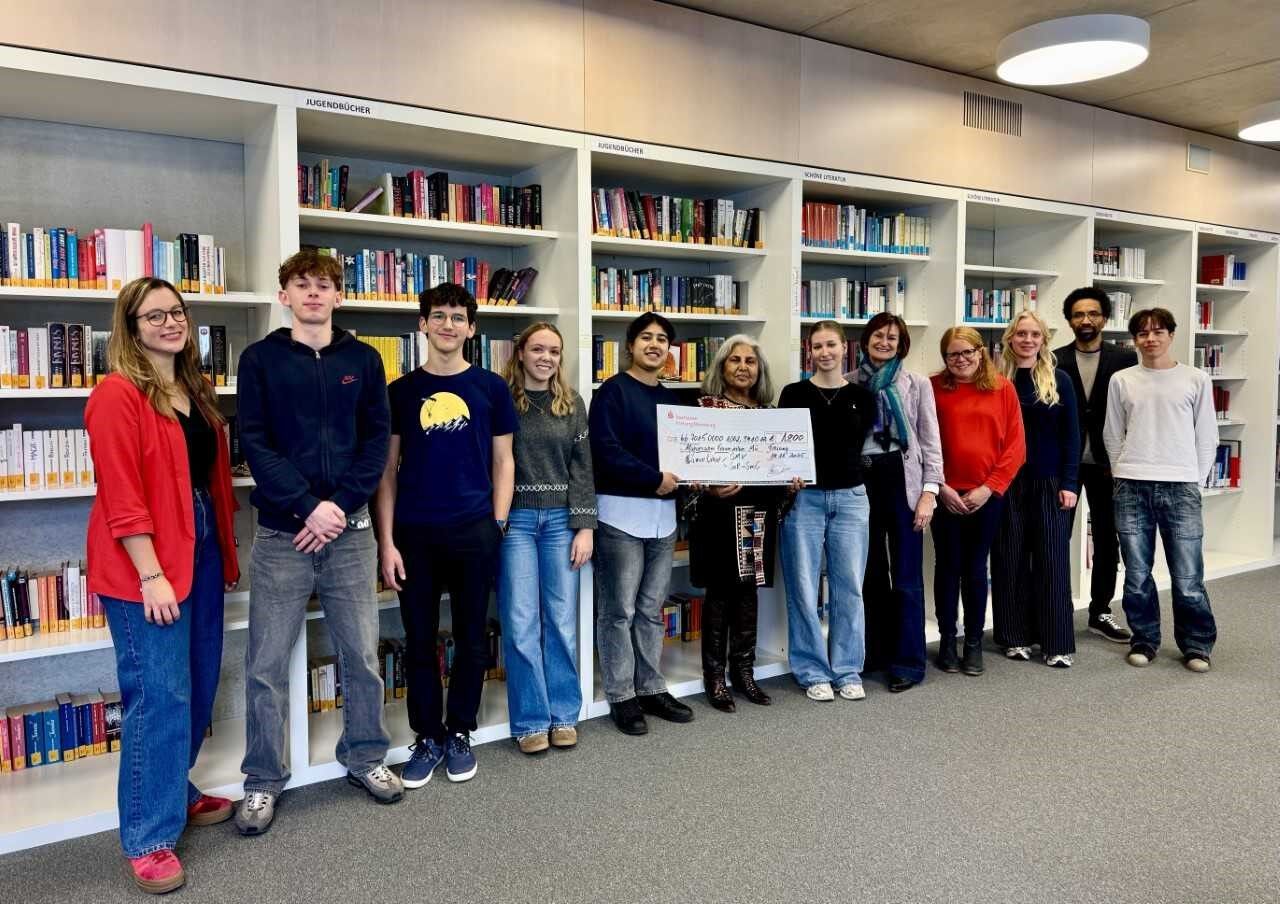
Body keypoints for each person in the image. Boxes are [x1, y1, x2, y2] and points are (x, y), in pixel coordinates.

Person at [236, 249, 401, 837]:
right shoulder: (259, 360)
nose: (313, 293)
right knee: (265, 664)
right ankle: (262, 779)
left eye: (324, 285)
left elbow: (377, 442)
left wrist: (338, 506)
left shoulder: (364, 360)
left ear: (338, 295)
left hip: (351, 535)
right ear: (284, 296)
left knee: (361, 656)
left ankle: (365, 756)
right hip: (284, 534)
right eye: (302, 284)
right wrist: (308, 505)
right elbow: (255, 442)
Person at [85, 277, 240, 894]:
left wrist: (220, 552)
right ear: (130, 327)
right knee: (158, 695)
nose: (170, 323)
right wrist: (150, 574)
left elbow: (207, 481)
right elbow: (122, 496)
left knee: (198, 683)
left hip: (198, 544)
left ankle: (174, 788)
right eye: (154, 316)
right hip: (144, 559)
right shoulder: (117, 395)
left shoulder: (194, 389)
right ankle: (149, 836)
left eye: (177, 312)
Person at [378, 282, 517, 784]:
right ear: (422, 324)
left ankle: (459, 730)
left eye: (458, 317)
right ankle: (427, 736)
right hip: (414, 534)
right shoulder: (400, 391)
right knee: (418, 640)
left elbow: (504, 461)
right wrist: (386, 542)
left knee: (471, 636)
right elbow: (387, 472)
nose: (447, 325)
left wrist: (497, 522)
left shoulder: (491, 388)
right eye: (438, 315)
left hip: (475, 530)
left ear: (471, 329)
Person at [589, 312, 693, 735]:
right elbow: (605, 451)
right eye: (646, 337)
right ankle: (621, 695)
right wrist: (654, 478)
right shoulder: (611, 392)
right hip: (620, 517)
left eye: (662, 339)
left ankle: (651, 687)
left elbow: (685, 456)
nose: (654, 344)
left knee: (651, 610)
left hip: (663, 520)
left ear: (669, 350)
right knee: (618, 611)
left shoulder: (674, 401)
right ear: (630, 346)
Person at [498, 322, 595, 754]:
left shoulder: (572, 403)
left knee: (561, 621)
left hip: (560, 522)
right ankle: (531, 720)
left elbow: (582, 468)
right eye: (538, 349)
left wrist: (585, 526)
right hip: (515, 522)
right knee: (521, 622)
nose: (546, 358)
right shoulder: (501, 399)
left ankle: (564, 714)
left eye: (554, 351)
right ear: (520, 353)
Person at [1103, 307, 1218, 673]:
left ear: (1171, 335)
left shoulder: (1196, 379)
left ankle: (1197, 645)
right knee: (1137, 575)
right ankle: (1144, 640)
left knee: (1188, 577)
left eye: (1157, 332)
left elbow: (1207, 435)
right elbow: (1112, 432)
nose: (1150, 339)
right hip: (1131, 486)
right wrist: (1122, 472)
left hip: (1181, 487)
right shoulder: (1122, 380)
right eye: (1142, 333)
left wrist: (1194, 479)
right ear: (1134, 339)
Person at [687, 334, 789, 711]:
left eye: (750, 361)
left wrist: (792, 479)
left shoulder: (771, 415)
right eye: (735, 360)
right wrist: (709, 487)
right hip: (717, 514)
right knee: (719, 593)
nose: (743, 367)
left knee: (748, 592)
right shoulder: (703, 409)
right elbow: (688, 465)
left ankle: (744, 672)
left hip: (757, 514)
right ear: (721, 367)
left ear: (759, 370)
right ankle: (714, 677)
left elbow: (779, 465)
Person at [778, 321, 877, 701]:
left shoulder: (863, 397)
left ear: (844, 348)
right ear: (809, 351)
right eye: (817, 346)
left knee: (848, 587)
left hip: (851, 499)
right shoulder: (793, 393)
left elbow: (862, 446)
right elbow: (782, 447)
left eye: (831, 344)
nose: (824, 352)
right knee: (803, 588)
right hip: (805, 500)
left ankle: (847, 670)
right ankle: (812, 671)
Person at [847, 313, 943, 693]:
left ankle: (908, 663)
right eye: (878, 335)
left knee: (906, 578)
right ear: (865, 339)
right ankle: (875, 652)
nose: (884, 342)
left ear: (901, 344)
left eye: (892, 337)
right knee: (869, 574)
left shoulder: (916, 383)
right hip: (861, 482)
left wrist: (929, 493)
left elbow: (931, 442)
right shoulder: (848, 383)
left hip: (904, 482)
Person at [930, 326, 1026, 677]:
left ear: (980, 352)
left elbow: (1016, 446)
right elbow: (923, 442)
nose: (961, 360)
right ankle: (947, 640)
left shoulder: (1003, 388)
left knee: (975, 568)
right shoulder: (932, 388)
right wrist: (939, 486)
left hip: (987, 496)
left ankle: (973, 642)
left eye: (967, 352)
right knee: (947, 567)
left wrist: (989, 488)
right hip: (944, 493)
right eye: (952, 354)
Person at [992, 311, 1080, 667]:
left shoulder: (1060, 379)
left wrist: (1070, 483)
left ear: (1044, 340)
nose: (1027, 340)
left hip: (1050, 482)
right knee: (1009, 559)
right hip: (1007, 482)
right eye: (1021, 334)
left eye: (1034, 334)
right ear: (1010, 338)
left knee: (1052, 562)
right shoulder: (996, 378)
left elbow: (1072, 436)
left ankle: (1057, 642)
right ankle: (1014, 637)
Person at [1054, 286, 1137, 643]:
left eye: (1092, 314)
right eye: (1078, 314)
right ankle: (1053, 608)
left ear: (1104, 318)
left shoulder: (1126, 359)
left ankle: (1100, 611)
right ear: (1069, 320)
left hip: (1109, 464)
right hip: (1065, 465)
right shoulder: (1054, 359)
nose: (1085, 320)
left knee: (1107, 538)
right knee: (1056, 537)